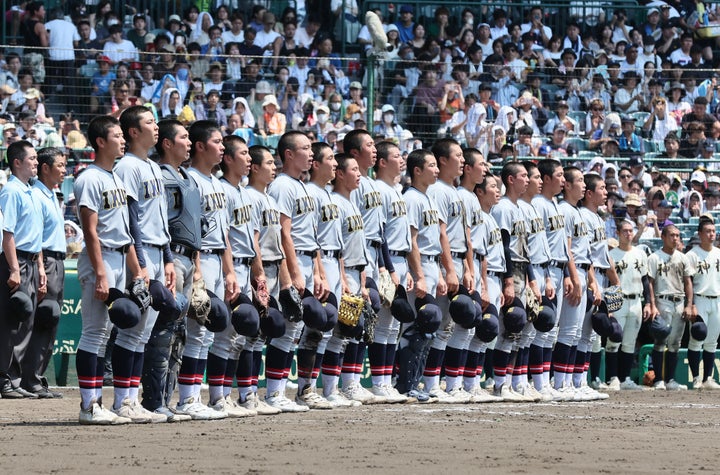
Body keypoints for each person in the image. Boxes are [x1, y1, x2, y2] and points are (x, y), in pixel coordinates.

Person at [72, 116, 141, 424]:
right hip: (99, 260)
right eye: (116, 135)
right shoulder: (90, 177)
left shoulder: (116, 177)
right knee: (94, 333)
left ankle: (98, 403)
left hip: (118, 260)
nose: (122, 139)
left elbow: (124, 232)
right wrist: (101, 272)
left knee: (107, 333)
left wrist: (136, 270)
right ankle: (89, 406)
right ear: (100, 141)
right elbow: (90, 231)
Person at [110, 106, 172, 423]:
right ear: (134, 131)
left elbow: (158, 218)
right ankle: (123, 400)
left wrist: (169, 260)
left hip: (159, 252)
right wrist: (141, 265)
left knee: (143, 334)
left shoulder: (152, 167)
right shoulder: (128, 167)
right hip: (143, 253)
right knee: (132, 331)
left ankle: (132, 400)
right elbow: (130, 220)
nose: (156, 126)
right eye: (149, 122)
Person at [142, 119, 205, 421]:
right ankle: (153, 401)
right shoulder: (162, 175)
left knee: (179, 332)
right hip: (172, 258)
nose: (189, 142)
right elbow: (159, 222)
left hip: (189, 259)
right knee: (164, 330)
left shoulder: (189, 178)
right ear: (167, 143)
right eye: (183, 137)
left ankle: (167, 399)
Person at [177, 120, 237, 419]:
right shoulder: (190, 179)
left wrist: (229, 271)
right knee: (197, 330)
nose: (222, 147)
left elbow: (223, 232)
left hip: (218, 259)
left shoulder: (217, 184)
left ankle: (205, 398)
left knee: (212, 332)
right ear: (199, 146)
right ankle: (188, 398)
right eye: (216, 141)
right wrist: (198, 269)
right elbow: (191, 229)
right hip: (198, 260)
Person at [263, 130, 322, 412]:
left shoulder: (302, 186)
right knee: (287, 328)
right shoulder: (282, 186)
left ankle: (297, 391)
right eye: (305, 148)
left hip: (308, 262)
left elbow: (310, 234)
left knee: (302, 328)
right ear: (289, 154)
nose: (311, 154)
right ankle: (274, 393)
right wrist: (294, 274)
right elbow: (283, 234)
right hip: (291, 263)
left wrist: (317, 270)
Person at [212, 135, 265, 417]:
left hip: (247, 267)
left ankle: (228, 394)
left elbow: (254, 239)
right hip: (228, 267)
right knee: (225, 334)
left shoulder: (246, 193)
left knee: (240, 336)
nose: (248, 159)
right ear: (228, 158)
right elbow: (225, 237)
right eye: (243, 154)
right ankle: (217, 396)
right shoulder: (223, 190)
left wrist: (260, 277)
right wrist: (229, 271)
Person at [425, 139, 475, 403]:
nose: (462, 160)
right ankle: (429, 383)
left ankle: (442, 384)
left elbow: (465, 235)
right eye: (458, 155)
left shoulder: (455, 192)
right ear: (443, 160)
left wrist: (467, 266)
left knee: (449, 327)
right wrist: (449, 270)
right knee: (437, 326)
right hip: (444, 263)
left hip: (458, 261)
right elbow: (441, 233)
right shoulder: (437, 191)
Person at [237, 145, 284, 415]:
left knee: (262, 334)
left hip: (273, 267)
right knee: (252, 334)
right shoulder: (251, 197)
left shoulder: (268, 198)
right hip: (259, 268)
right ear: (254, 167)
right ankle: (246, 393)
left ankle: (252, 390)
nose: (273, 166)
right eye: (268, 162)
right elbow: (253, 242)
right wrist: (259, 276)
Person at [365, 141, 413, 403]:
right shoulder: (380, 190)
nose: (401, 158)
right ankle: (378, 383)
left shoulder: (396, 190)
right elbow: (380, 234)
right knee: (383, 324)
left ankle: (385, 381)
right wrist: (388, 268)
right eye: (396, 155)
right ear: (383, 162)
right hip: (386, 258)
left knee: (392, 326)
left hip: (399, 260)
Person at [395, 148, 442, 401]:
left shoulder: (428, 198)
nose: (436, 170)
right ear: (417, 170)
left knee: (427, 329)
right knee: (415, 327)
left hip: (432, 265)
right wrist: (420, 275)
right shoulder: (412, 198)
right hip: (419, 265)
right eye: (431, 165)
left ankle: (413, 382)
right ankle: (404, 384)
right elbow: (412, 240)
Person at [0, 141, 44, 399]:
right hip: (14, 262)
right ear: (17, 162)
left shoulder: (29, 191)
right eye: (32, 158)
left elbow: (34, 236)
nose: (36, 162)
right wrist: (14, 269)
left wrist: (39, 267)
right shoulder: (12, 191)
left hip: (29, 260)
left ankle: (14, 380)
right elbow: (8, 234)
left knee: (24, 323)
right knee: (10, 322)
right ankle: (4, 379)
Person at [553, 167, 601, 400]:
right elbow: (567, 249)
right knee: (568, 331)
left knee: (582, 333)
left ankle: (574, 380)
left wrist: (591, 280)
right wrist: (573, 277)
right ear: (568, 186)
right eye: (579, 181)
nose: (583, 185)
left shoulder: (578, 212)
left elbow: (587, 251)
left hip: (583, 271)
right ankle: (561, 382)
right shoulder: (564, 210)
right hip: (573, 273)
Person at [24, 147, 66, 398]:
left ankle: (36, 376)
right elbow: (36, 238)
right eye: (59, 165)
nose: (64, 169)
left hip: (57, 261)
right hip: (46, 261)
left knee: (50, 321)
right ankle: (29, 378)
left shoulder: (51, 195)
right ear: (45, 168)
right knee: (44, 318)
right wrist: (41, 269)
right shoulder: (37, 196)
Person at [490, 161, 533, 401]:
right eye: (523, 175)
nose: (527, 179)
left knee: (519, 329)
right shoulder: (504, 207)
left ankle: (509, 381)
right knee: (509, 326)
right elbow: (504, 246)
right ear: (510, 180)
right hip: (511, 269)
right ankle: (499, 383)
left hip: (522, 269)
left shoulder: (519, 208)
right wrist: (508, 279)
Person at [517, 161, 554, 401]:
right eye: (536, 177)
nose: (539, 181)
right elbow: (525, 250)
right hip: (527, 272)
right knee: (520, 329)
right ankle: (517, 381)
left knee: (538, 330)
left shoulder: (533, 207)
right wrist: (532, 279)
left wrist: (547, 276)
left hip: (543, 270)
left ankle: (531, 381)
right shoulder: (521, 207)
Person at [580, 174, 619, 395]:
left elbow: (604, 255)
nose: (606, 192)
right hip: (590, 278)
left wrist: (616, 282)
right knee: (581, 333)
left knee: (593, 335)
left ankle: (581, 381)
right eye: (602, 188)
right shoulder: (584, 216)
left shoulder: (598, 218)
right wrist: (593, 282)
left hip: (602, 278)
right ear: (589, 193)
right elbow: (587, 256)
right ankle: (575, 381)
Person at [606, 219, 655, 390]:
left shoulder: (640, 254)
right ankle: (612, 378)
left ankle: (624, 378)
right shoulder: (612, 255)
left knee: (629, 342)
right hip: (619, 300)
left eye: (630, 230)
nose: (628, 234)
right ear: (618, 233)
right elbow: (608, 282)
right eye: (625, 231)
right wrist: (609, 307)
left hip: (636, 300)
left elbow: (645, 280)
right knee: (614, 340)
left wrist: (648, 303)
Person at [647, 224, 693, 391]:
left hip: (679, 301)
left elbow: (688, 282)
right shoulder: (654, 257)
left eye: (677, 235)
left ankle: (670, 379)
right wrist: (652, 305)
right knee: (660, 340)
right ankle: (659, 379)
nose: (675, 238)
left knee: (675, 343)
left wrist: (689, 304)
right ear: (663, 237)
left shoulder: (683, 257)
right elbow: (650, 283)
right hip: (662, 299)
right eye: (672, 235)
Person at [685, 217, 720, 390]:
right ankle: (696, 378)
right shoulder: (692, 254)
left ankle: (708, 378)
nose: (711, 234)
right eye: (707, 231)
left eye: (713, 231)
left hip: (717, 299)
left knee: (712, 341)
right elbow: (688, 281)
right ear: (699, 234)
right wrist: (690, 304)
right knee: (697, 338)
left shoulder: (718, 253)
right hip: (700, 299)